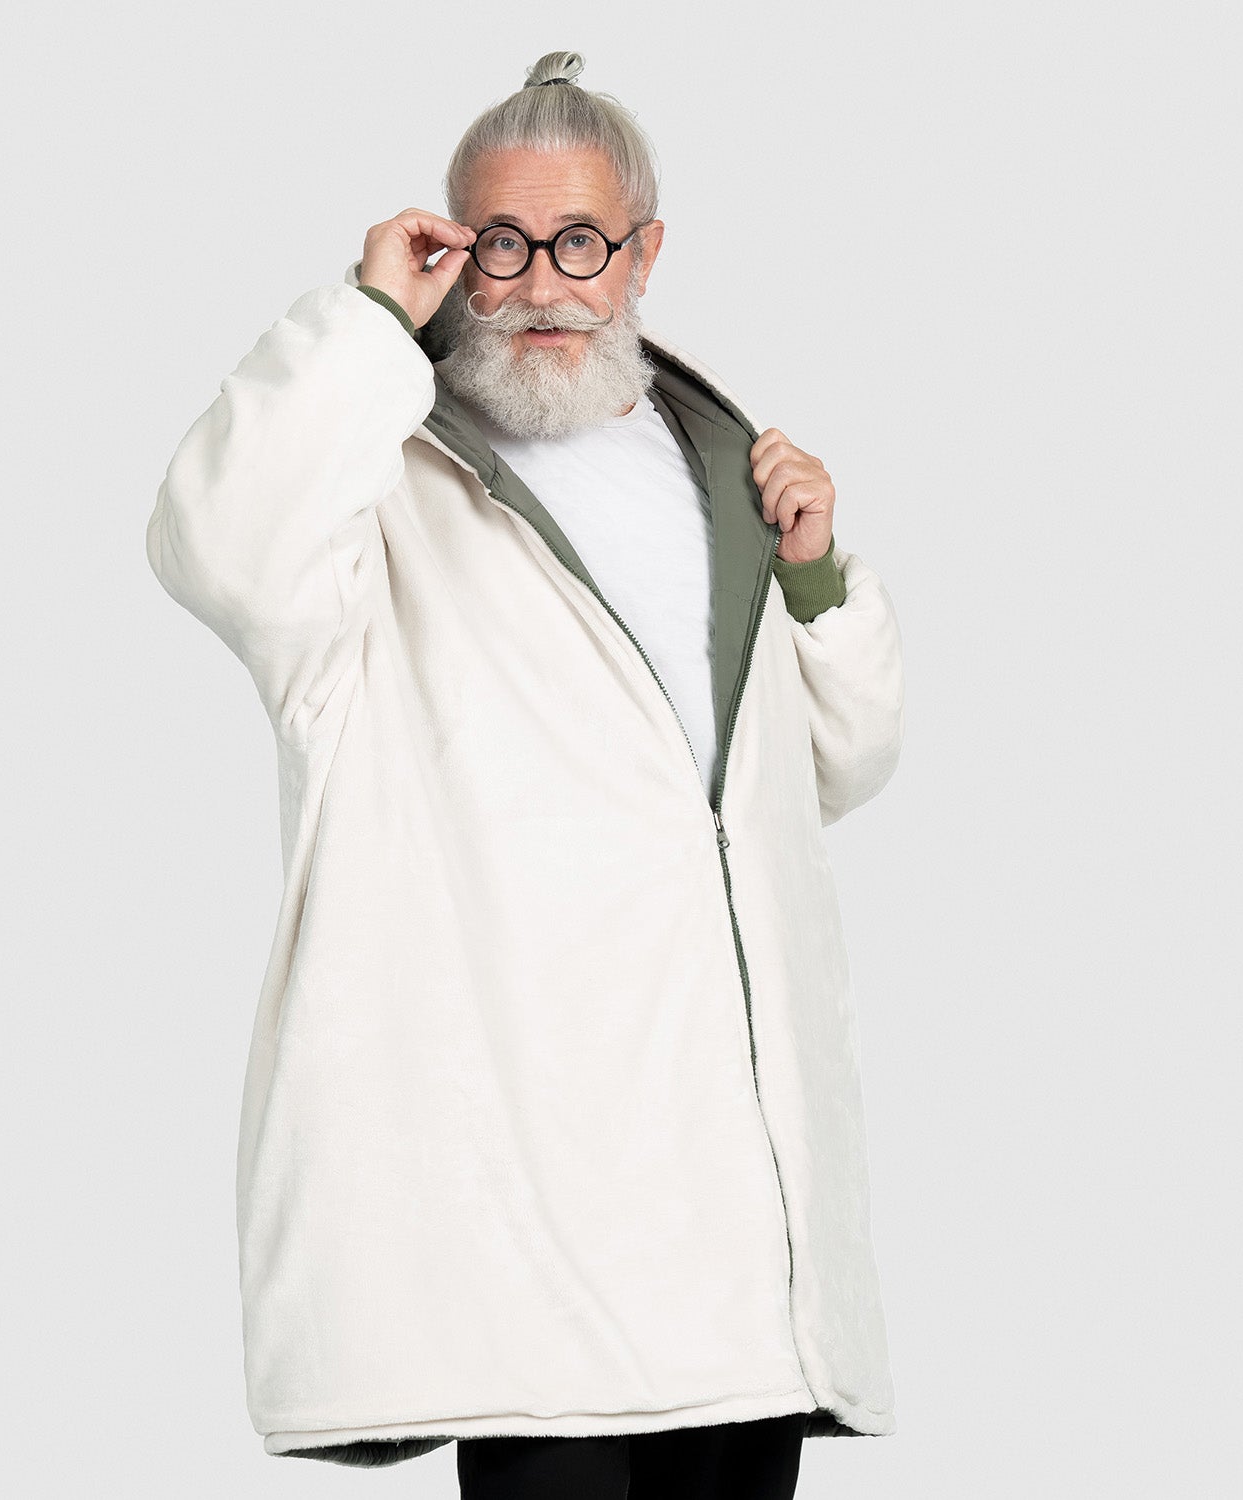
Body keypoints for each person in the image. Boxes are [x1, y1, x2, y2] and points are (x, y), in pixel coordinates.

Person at [145, 48, 905, 1499]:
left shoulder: (727, 473)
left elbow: (838, 769)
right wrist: (369, 319)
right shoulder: (384, 480)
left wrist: (814, 578)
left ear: (644, 254)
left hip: (735, 1225)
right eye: (499, 242)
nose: (540, 283)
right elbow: (217, 543)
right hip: (522, 1208)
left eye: (578, 242)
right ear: (452, 247)